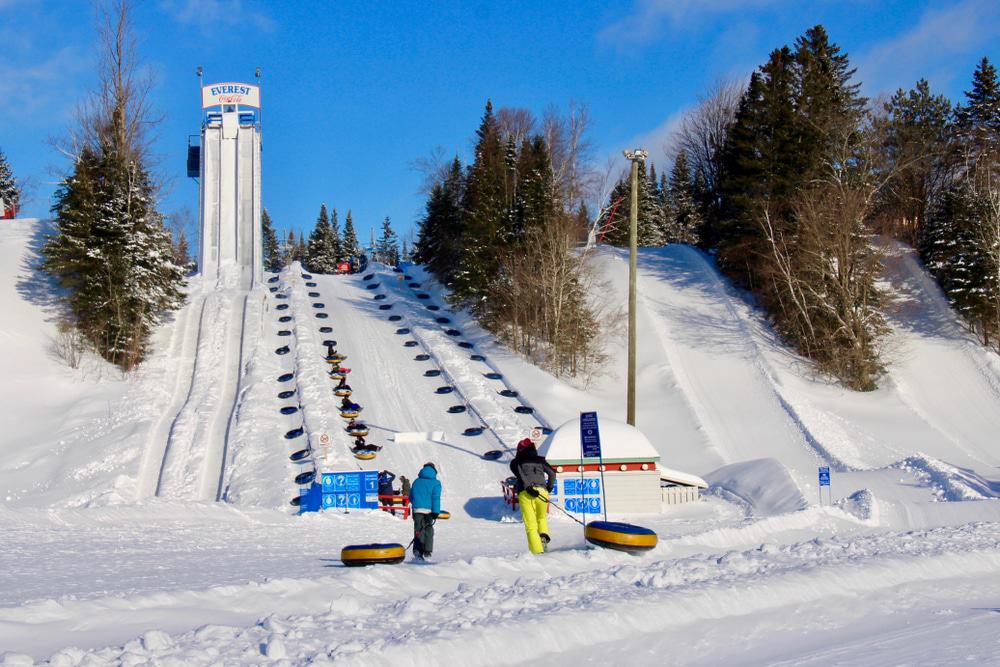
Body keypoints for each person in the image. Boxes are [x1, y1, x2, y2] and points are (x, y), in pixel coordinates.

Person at [510, 438, 556, 554]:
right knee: (541, 517)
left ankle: (537, 552)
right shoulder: (540, 461)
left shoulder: (516, 462)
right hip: (543, 492)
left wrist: (528, 487)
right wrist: (549, 488)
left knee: (531, 524)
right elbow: (552, 473)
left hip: (527, 493)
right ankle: (543, 535)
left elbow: (520, 475)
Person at [408, 462, 441, 561]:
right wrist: (436, 511)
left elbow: (411, 497)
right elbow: (436, 498)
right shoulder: (436, 483)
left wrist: (416, 503)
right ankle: (427, 550)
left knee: (418, 529)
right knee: (428, 529)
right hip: (430, 511)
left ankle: (418, 550)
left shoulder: (416, 481)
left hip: (417, 509)